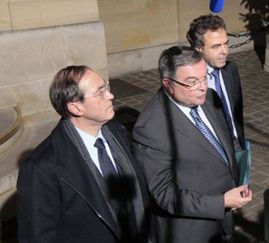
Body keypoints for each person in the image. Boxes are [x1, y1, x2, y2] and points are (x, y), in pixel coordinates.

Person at [132, 46, 252, 243]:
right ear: (168, 84)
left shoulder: (210, 98)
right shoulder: (150, 128)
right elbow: (165, 195)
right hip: (190, 231)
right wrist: (221, 202)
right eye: (192, 82)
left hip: (224, 221)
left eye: (205, 77)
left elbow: (226, 141)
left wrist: (239, 174)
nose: (203, 87)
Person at [17, 66, 148, 243]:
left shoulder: (119, 133)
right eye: (100, 92)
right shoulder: (41, 168)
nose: (111, 96)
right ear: (76, 107)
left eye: (106, 88)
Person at [187, 14, 246, 151]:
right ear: (198, 48)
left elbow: (236, 113)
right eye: (216, 47)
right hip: (211, 153)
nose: (224, 51)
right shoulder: (188, 81)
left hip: (236, 146)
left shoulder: (231, 70)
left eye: (226, 44)